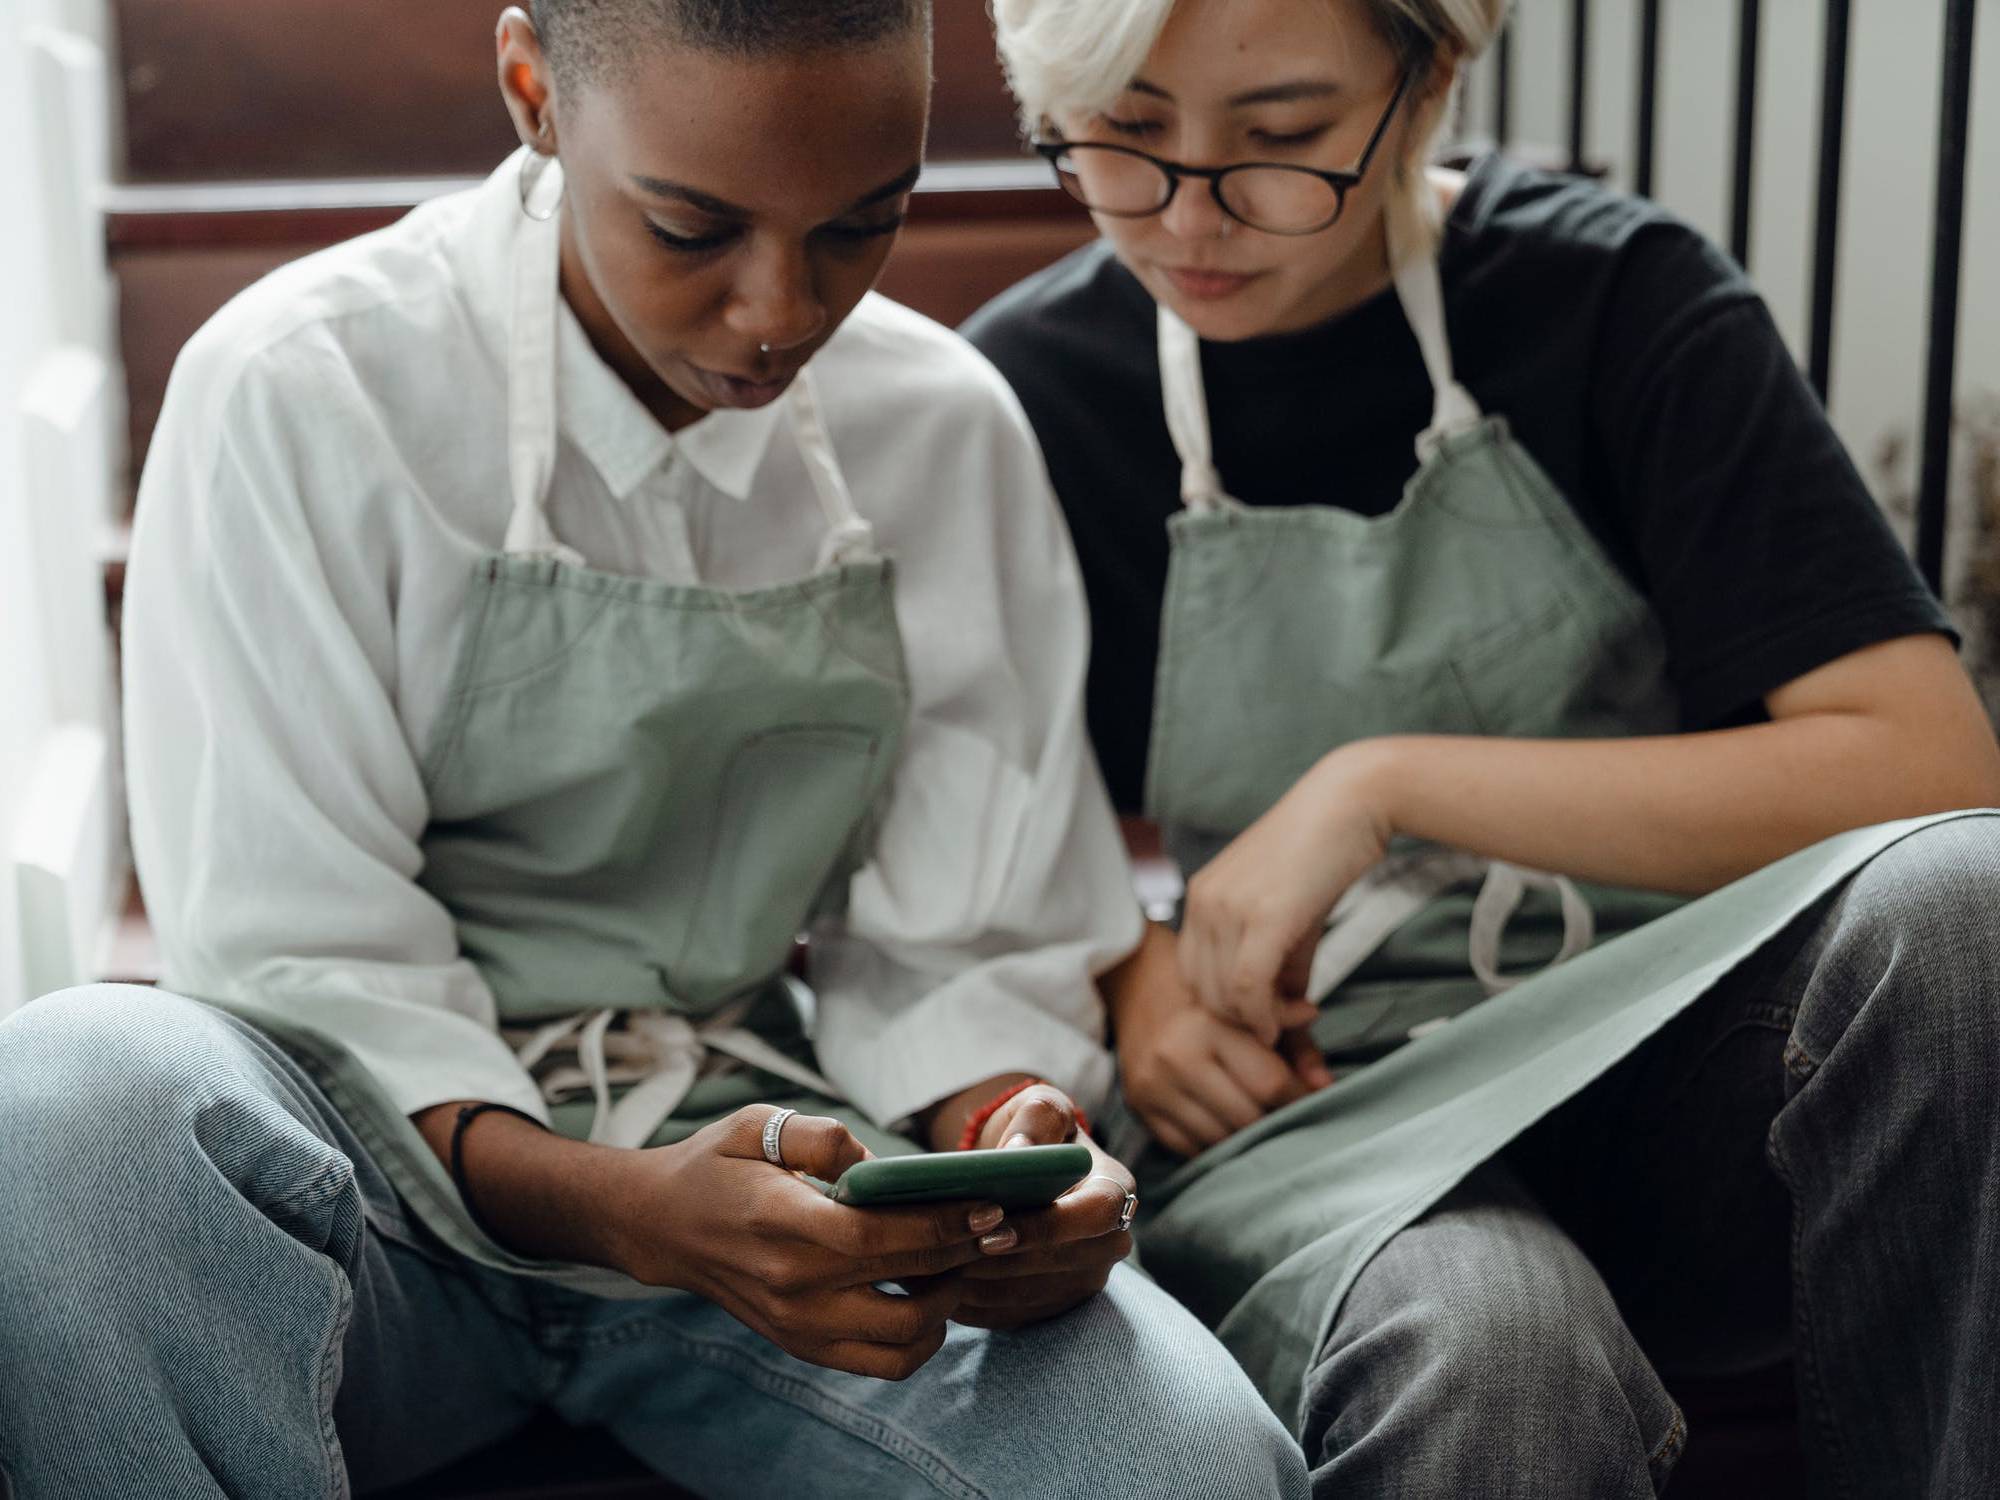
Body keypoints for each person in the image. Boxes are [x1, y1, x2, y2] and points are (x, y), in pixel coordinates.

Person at [0, 3, 1313, 1496]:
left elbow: (966, 940)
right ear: (532, 92)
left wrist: (1002, 1148)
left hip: (762, 1162)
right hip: (362, 1189)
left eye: (860, 228)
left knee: (1193, 1462)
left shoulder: (944, 428)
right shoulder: (304, 387)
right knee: (74, 1096)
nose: (778, 310)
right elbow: (296, 953)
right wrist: (625, 1209)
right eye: (692, 228)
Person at [964, 0, 2000, 1494]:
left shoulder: (1618, 296)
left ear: (1431, 72)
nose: (1192, 214)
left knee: (1965, 910)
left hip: (1679, 1053)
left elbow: (1929, 768)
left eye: (1283, 140)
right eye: (1124, 134)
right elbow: (953, 840)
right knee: (1490, 1353)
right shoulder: (1026, 392)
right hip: (1326, 1115)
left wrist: (1384, 784)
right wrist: (1127, 972)